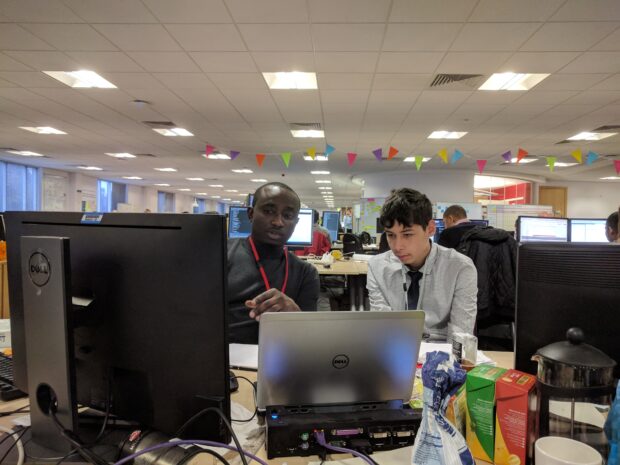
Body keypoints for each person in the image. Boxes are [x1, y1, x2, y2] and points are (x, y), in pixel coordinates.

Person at [366, 188, 477, 341]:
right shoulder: (376, 267)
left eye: (407, 234)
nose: (397, 246)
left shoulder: (460, 268)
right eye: (391, 235)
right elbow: (382, 329)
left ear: (430, 229)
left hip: (442, 354)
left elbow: (461, 336)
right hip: (394, 351)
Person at [227, 182, 320, 343]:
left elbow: (308, 338)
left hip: (281, 356)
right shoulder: (222, 253)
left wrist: (296, 315)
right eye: (269, 211)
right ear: (250, 214)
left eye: (288, 216)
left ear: (296, 223)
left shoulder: (306, 273)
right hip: (224, 356)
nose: (278, 222)